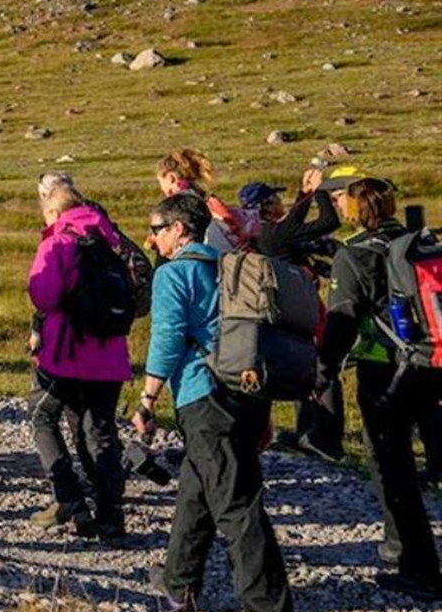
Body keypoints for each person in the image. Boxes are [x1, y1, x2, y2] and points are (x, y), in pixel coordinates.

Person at [134, 191, 294, 612]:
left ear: (179, 230)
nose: (152, 241)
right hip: (247, 391)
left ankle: (268, 604)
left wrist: (147, 400)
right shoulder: (228, 266)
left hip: (205, 396)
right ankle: (178, 584)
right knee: (197, 490)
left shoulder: (173, 274)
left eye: (156, 231)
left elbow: (167, 339)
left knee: (238, 506)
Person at [317, 174, 442, 601]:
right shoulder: (419, 240)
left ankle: (416, 563)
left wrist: (323, 370)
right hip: (434, 360)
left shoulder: (353, 254)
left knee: (393, 465)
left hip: (384, 367)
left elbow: (341, 321)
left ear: (353, 212)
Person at [26, 173, 132, 542]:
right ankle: (111, 517)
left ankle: (68, 495)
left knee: (42, 416)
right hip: (111, 356)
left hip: (67, 354)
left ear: (53, 209)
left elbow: (43, 295)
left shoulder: (57, 243)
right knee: (100, 431)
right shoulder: (110, 241)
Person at [255, 170, 346, 463]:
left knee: (303, 366)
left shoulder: (266, 233)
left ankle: (307, 432)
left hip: (287, 311)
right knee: (324, 368)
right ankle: (326, 438)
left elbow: (293, 221)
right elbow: (328, 222)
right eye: (275, 199)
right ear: (266, 207)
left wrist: (303, 194)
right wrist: (319, 192)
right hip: (306, 309)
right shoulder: (276, 233)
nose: (281, 203)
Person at [157, 148, 256, 253]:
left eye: (160, 182)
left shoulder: (179, 203)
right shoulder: (202, 196)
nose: (162, 188)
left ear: (171, 178)